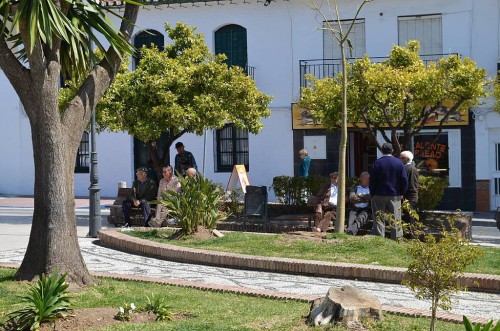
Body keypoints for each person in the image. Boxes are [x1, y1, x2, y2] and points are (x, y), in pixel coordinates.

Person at [369, 143, 408, 239]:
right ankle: (397, 239)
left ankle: (379, 239)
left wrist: (372, 193)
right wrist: (402, 192)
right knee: (396, 218)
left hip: (378, 194)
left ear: (382, 151)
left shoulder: (376, 163)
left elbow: (372, 180)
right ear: (392, 151)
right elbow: (404, 179)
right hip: (394, 194)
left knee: (379, 218)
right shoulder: (398, 163)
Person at [400, 151, 419, 236]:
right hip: (408, 197)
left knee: (409, 218)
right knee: (406, 218)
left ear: (407, 159)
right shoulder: (407, 168)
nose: (400, 159)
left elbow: (410, 184)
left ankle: (410, 237)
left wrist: (402, 194)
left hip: (409, 198)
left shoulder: (410, 169)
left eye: (402, 158)